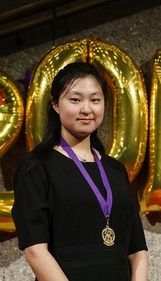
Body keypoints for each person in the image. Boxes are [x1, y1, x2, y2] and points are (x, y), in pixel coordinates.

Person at [12, 62, 148, 281]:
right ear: (56, 104)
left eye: (95, 100)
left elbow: (137, 250)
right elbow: (35, 250)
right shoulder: (36, 167)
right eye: (75, 100)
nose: (87, 109)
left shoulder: (115, 170)